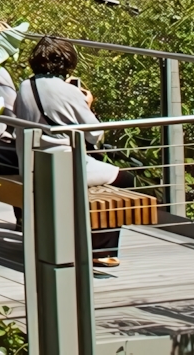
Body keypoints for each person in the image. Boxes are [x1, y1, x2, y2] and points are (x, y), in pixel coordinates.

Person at [14, 36, 131, 267]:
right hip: (64, 167)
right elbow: (95, 136)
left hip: (30, 163)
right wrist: (86, 103)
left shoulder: (25, 86)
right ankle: (100, 249)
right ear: (67, 63)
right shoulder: (69, 92)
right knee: (125, 179)